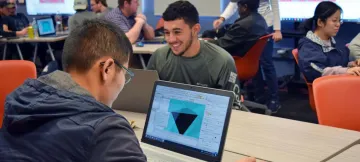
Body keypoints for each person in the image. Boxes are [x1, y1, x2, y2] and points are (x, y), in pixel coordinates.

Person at [0, 19, 147, 162]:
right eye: (124, 72)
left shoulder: (18, 102)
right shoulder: (108, 131)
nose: (123, 81)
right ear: (107, 69)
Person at [147, 1, 240, 104]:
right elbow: (148, 99)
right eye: (167, 33)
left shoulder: (222, 62)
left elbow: (232, 110)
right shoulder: (159, 57)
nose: (171, 39)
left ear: (195, 30)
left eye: (177, 32)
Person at [211, 0, 281, 111]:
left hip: (265, 23)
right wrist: (222, 18)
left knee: (266, 64)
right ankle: (259, 97)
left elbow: (275, 6)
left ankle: (274, 99)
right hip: (252, 22)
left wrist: (278, 30)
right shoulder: (244, 15)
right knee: (254, 61)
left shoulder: (249, 20)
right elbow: (234, 3)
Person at [298, 1, 360, 83]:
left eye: (339, 21)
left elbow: (335, 63)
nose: (338, 24)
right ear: (320, 22)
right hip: (327, 90)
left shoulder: (332, 43)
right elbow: (318, 70)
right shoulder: (308, 46)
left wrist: (352, 64)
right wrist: (345, 71)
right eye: (334, 21)